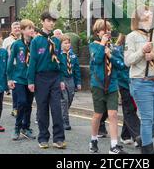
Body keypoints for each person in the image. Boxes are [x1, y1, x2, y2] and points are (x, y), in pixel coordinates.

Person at [125, 6, 154, 154]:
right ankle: (147, 152)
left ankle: (143, 139)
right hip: (141, 82)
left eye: (151, 13)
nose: (151, 15)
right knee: (147, 119)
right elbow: (128, 60)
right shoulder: (132, 36)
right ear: (139, 18)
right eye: (147, 13)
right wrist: (142, 51)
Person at [27, 11, 66, 150]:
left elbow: (60, 60)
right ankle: (43, 138)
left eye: (53, 21)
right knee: (42, 109)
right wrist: (30, 81)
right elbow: (32, 61)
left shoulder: (56, 41)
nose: (51, 23)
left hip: (55, 77)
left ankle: (58, 139)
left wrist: (61, 78)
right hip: (41, 78)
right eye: (48, 20)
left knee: (56, 109)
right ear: (42, 21)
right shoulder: (36, 41)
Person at [89, 19, 128, 155]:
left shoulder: (114, 48)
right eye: (104, 31)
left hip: (112, 85)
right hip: (98, 85)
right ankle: (93, 140)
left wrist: (110, 55)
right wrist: (102, 46)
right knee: (98, 114)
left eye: (109, 31)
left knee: (113, 114)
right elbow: (98, 60)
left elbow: (121, 65)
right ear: (97, 33)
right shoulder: (93, 46)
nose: (107, 33)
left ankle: (114, 145)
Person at [8, 19, 37, 141]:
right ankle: (17, 127)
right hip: (19, 78)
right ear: (23, 30)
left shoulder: (35, 44)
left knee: (29, 104)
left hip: (31, 79)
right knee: (22, 102)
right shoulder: (16, 45)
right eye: (29, 28)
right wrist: (9, 78)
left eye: (33, 28)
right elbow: (10, 62)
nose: (32, 30)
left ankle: (26, 127)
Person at [115, 34, 141, 148]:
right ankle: (138, 136)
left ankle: (125, 135)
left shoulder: (137, 47)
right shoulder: (119, 50)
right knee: (129, 109)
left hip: (136, 82)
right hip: (125, 84)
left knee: (131, 109)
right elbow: (121, 68)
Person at [59, 35, 82, 131]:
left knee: (70, 99)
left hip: (71, 79)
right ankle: (65, 122)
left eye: (68, 43)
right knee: (64, 100)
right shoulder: (58, 55)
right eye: (65, 43)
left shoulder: (73, 55)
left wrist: (78, 82)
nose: (67, 45)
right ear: (61, 44)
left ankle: (61, 115)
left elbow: (77, 69)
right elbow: (58, 69)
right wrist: (60, 81)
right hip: (63, 79)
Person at [2, 21, 21, 116]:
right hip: (12, 66)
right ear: (11, 29)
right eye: (15, 28)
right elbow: (3, 54)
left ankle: (20, 107)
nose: (17, 29)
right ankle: (15, 108)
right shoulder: (7, 41)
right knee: (15, 88)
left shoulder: (24, 39)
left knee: (21, 88)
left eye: (18, 27)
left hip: (22, 66)